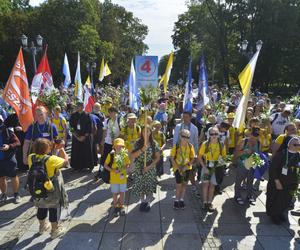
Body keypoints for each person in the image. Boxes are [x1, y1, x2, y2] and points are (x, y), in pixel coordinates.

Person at [27, 138, 68, 239]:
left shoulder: (31, 157)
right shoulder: (52, 159)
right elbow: (66, 162)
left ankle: (42, 226)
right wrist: (61, 149)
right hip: (51, 188)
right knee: (53, 208)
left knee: (41, 207)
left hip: (37, 188)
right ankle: (54, 230)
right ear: (47, 149)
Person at [266, 136, 300, 224]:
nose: (297, 146)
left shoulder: (298, 155)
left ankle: (280, 212)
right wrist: (277, 181)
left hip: (292, 183)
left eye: (299, 144)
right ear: (288, 144)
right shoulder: (281, 154)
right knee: (276, 198)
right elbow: (273, 168)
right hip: (279, 182)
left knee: (286, 199)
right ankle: (274, 215)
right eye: (295, 144)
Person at [131, 126, 161, 212]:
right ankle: (142, 201)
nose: (145, 133)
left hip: (150, 167)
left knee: (149, 186)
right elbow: (132, 156)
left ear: (150, 132)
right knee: (141, 185)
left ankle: (147, 202)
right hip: (139, 167)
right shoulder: (138, 142)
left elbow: (158, 157)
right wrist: (142, 150)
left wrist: (149, 167)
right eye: (144, 131)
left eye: (147, 131)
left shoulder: (154, 143)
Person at [198, 127, 226, 212]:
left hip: (216, 168)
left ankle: (209, 203)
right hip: (207, 167)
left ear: (218, 135)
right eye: (212, 134)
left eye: (215, 134)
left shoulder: (221, 144)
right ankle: (205, 202)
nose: (214, 135)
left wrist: (221, 163)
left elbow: (224, 157)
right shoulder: (205, 144)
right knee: (205, 185)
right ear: (209, 135)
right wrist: (204, 167)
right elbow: (199, 156)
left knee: (212, 186)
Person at [234, 127, 261, 205]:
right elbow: (236, 154)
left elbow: (259, 153)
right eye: (254, 134)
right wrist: (244, 151)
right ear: (250, 133)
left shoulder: (258, 143)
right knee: (239, 180)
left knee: (250, 181)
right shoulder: (243, 141)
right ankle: (237, 196)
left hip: (251, 164)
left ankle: (249, 196)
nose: (255, 136)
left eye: (257, 135)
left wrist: (257, 160)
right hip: (242, 164)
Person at [173, 111, 199, 192]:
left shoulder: (194, 128)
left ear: (190, 117)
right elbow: (175, 140)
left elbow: (195, 142)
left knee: (190, 170)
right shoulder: (178, 126)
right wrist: (174, 153)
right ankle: (180, 184)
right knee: (179, 169)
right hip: (179, 154)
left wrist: (195, 155)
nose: (185, 118)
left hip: (189, 154)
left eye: (187, 117)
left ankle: (192, 184)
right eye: (183, 117)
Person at [104, 138, 130, 217]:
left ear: (123, 147)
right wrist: (112, 170)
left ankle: (121, 206)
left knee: (122, 192)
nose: (119, 148)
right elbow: (105, 165)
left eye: (121, 146)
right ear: (114, 147)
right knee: (115, 193)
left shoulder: (125, 155)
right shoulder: (111, 155)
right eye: (117, 146)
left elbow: (127, 165)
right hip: (114, 178)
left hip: (122, 178)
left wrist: (122, 169)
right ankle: (115, 207)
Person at [170, 129, 196, 210]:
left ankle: (181, 199)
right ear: (180, 136)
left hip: (187, 168)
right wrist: (178, 167)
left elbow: (192, 158)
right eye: (183, 136)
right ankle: (176, 200)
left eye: (187, 137)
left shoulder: (190, 146)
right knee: (178, 185)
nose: (185, 138)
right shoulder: (176, 145)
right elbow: (172, 157)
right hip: (178, 168)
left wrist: (187, 166)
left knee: (184, 184)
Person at [0, 115, 21, 203]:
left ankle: (16, 194)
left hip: (9, 158)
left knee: (13, 176)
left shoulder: (7, 131)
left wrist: (9, 146)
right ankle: (4, 194)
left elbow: (17, 142)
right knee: (1, 177)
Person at [96, 107, 121, 181]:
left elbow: (123, 131)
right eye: (109, 112)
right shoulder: (107, 120)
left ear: (115, 112)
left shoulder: (120, 120)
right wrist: (103, 140)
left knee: (116, 159)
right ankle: (100, 172)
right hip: (108, 142)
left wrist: (116, 140)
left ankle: (115, 173)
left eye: (112, 112)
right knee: (104, 158)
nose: (110, 114)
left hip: (117, 144)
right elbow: (105, 131)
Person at [69, 101, 94, 171]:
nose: (77, 107)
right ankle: (76, 166)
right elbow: (71, 127)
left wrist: (84, 136)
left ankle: (88, 166)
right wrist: (76, 136)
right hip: (76, 137)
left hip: (85, 137)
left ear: (83, 107)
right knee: (76, 152)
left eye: (78, 105)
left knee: (86, 152)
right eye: (76, 105)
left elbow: (90, 127)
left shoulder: (87, 115)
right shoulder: (73, 115)